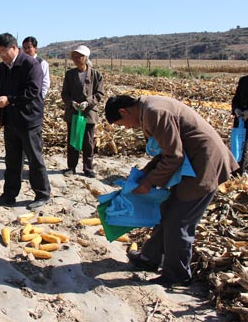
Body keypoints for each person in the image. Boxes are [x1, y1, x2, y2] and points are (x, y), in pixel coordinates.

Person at [105, 95, 239, 286]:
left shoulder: (154, 112)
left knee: (179, 221)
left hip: (203, 165)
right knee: (166, 211)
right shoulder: (148, 109)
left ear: (124, 111)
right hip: (191, 164)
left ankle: (178, 275)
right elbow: (166, 151)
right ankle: (150, 258)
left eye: (123, 124)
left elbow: (173, 156)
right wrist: (145, 173)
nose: (127, 128)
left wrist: (149, 182)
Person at [0, 33, 51, 210]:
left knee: (34, 159)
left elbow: (32, 92)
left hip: (29, 120)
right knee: (12, 160)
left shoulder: (31, 64)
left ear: (14, 48)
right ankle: (9, 194)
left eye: (4, 51)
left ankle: (42, 194)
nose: (1, 55)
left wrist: (9, 100)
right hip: (10, 120)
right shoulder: (3, 67)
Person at [60, 45, 105, 178]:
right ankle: (71, 167)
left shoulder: (96, 74)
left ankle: (88, 168)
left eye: (78, 56)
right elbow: (64, 94)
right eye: (73, 57)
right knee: (73, 140)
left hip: (89, 113)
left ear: (85, 58)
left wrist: (88, 102)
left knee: (88, 141)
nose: (75, 59)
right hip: (73, 112)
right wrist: (71, 103)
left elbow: (100, 93)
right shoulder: (70, 75)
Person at [231, 74, 248, 174]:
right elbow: (236, 98)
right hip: (241, 120)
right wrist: (236, 109)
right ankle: (237, 173)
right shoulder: (243, 80)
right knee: (240, 147)